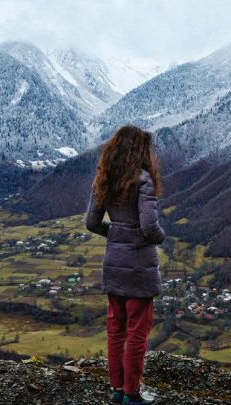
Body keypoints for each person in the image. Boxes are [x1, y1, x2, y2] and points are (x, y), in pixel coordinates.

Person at [86, 125, 165, 405]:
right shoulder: (143, 180)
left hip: (114, 264)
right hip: (139, 267)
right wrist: (160, 237)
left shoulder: (104, 179)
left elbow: (92, 223)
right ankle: (132, 394)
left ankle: (118, 390)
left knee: (116, 330)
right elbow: (149, 226)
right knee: (137, 332)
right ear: (140, 151)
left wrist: (117, 233)